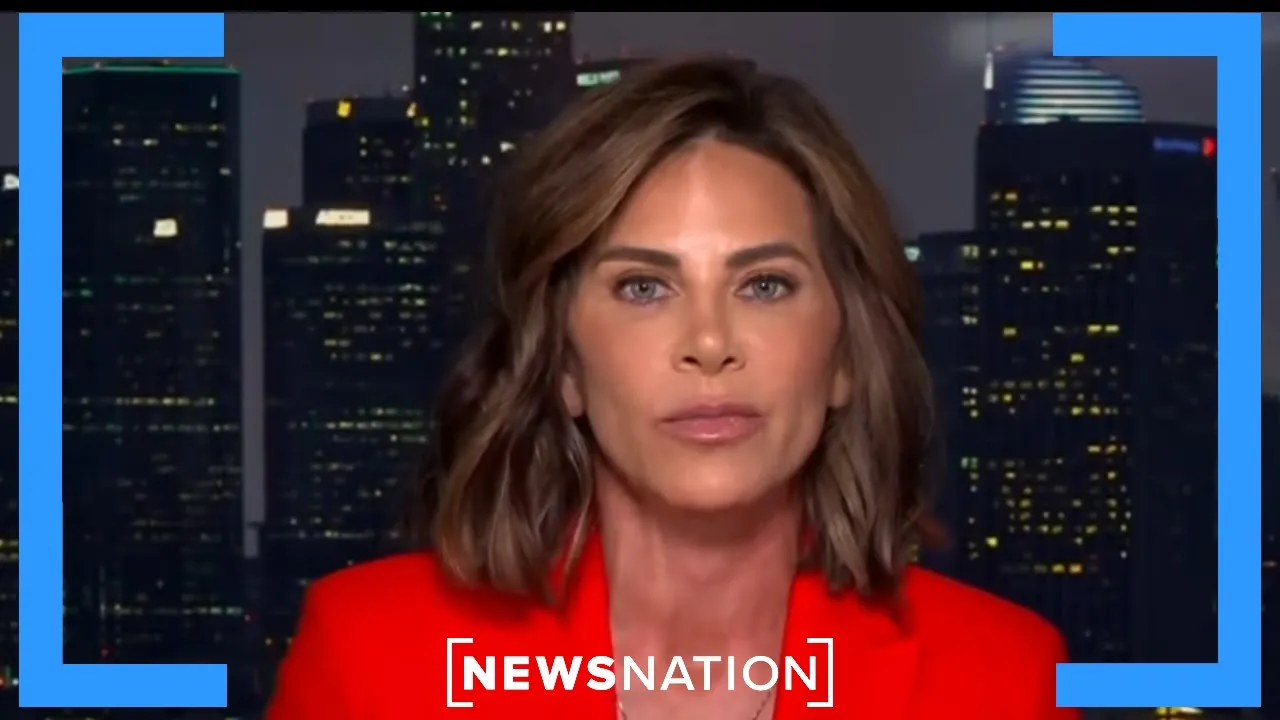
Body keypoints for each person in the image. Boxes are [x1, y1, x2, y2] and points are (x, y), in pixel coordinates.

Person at [265, 57, 1078, 720]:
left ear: (844, 358)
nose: (710, 344)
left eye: (765, 285)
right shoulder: (368, 657)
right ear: (565, 366)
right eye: (643, 288)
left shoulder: (1004, 679)